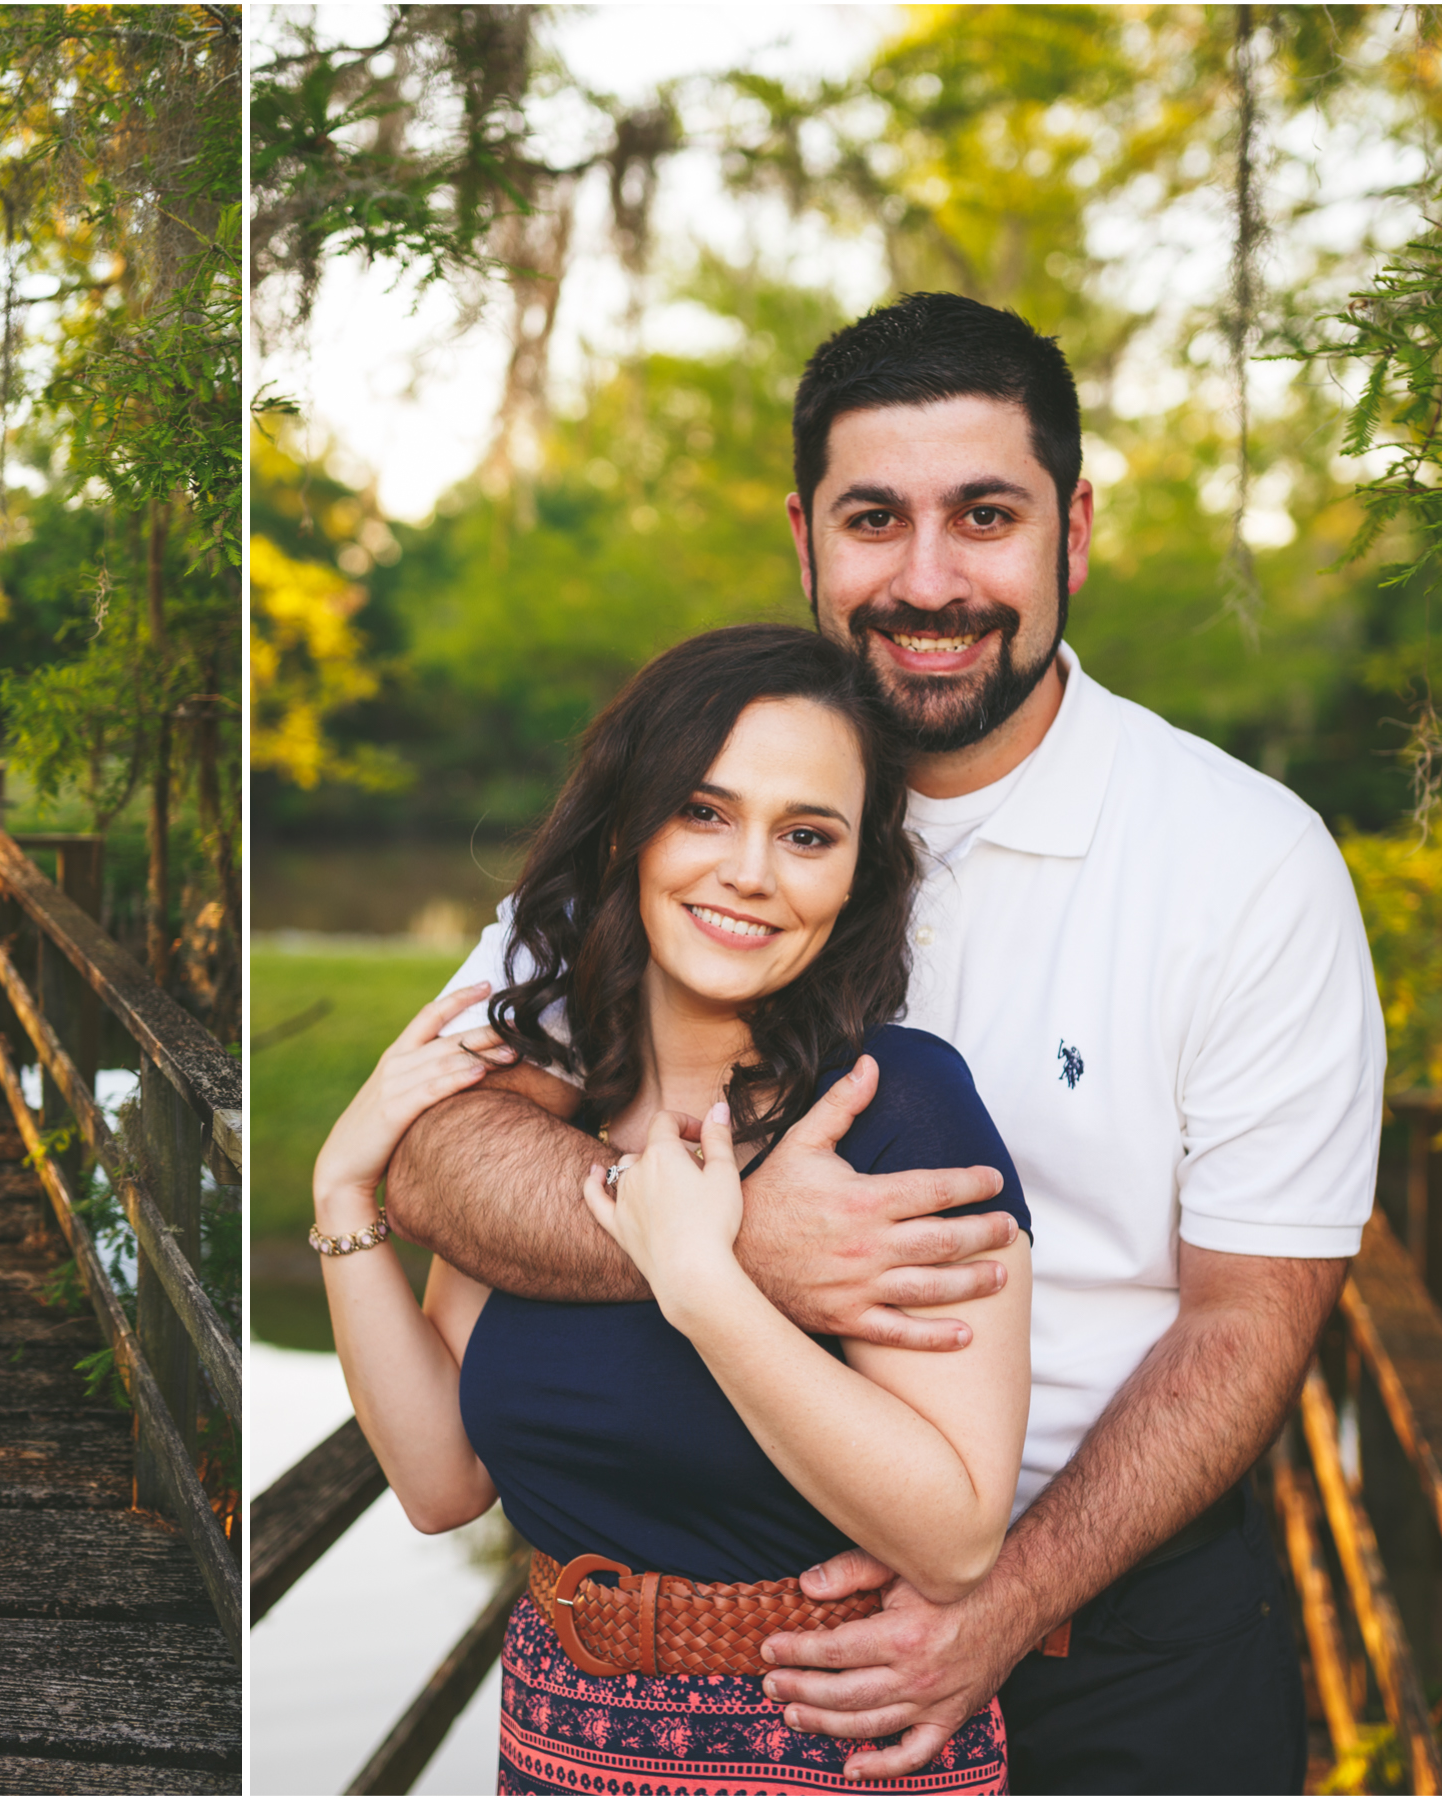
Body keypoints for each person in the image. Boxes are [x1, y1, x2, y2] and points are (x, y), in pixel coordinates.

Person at [385, 293, 1384, 1791]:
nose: (928, 579)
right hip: (728, 1648)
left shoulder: (1245, 861)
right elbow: (449, 1145)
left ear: (1074, 530)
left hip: (1120, 1643)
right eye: (873, 519)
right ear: (805, 538)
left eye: (985, 515)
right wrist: (717, 1251)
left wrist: (1007, 1599)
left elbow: (1251, 1317)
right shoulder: (689, 821)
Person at [317, 625, 1032, 1794]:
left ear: (855, 878)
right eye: (704, 812)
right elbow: (441, 1481)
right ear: (623, 831)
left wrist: (707, 1287)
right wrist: (346, 1196)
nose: (749, 870)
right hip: (560, 1733)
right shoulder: (545, 1140)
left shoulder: (895, 1108)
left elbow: (953, 1534)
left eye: (807, 835)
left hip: (826, 1744)